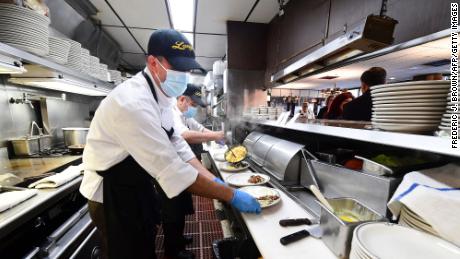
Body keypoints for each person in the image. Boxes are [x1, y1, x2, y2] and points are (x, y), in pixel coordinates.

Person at [80, 29, 261, 259]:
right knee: (127, 252)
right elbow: (173, 171)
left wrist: (210, 177)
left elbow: (178, 145)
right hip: (111, 195)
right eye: (177, 68)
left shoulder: (161, 97)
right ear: (153, 63)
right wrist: (230, 195)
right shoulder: (133, 104)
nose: (183, 75)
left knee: (145, 243)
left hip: (136, 184)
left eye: (186, 70)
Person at [173, 84, 224, 160]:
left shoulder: (185, 115)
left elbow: (201, 129)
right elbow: (185, 135)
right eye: (193, 104)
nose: (194, 108)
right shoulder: (172, 112)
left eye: (196, 106)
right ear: (182, 99)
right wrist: (216, 136)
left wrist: (219, 136)